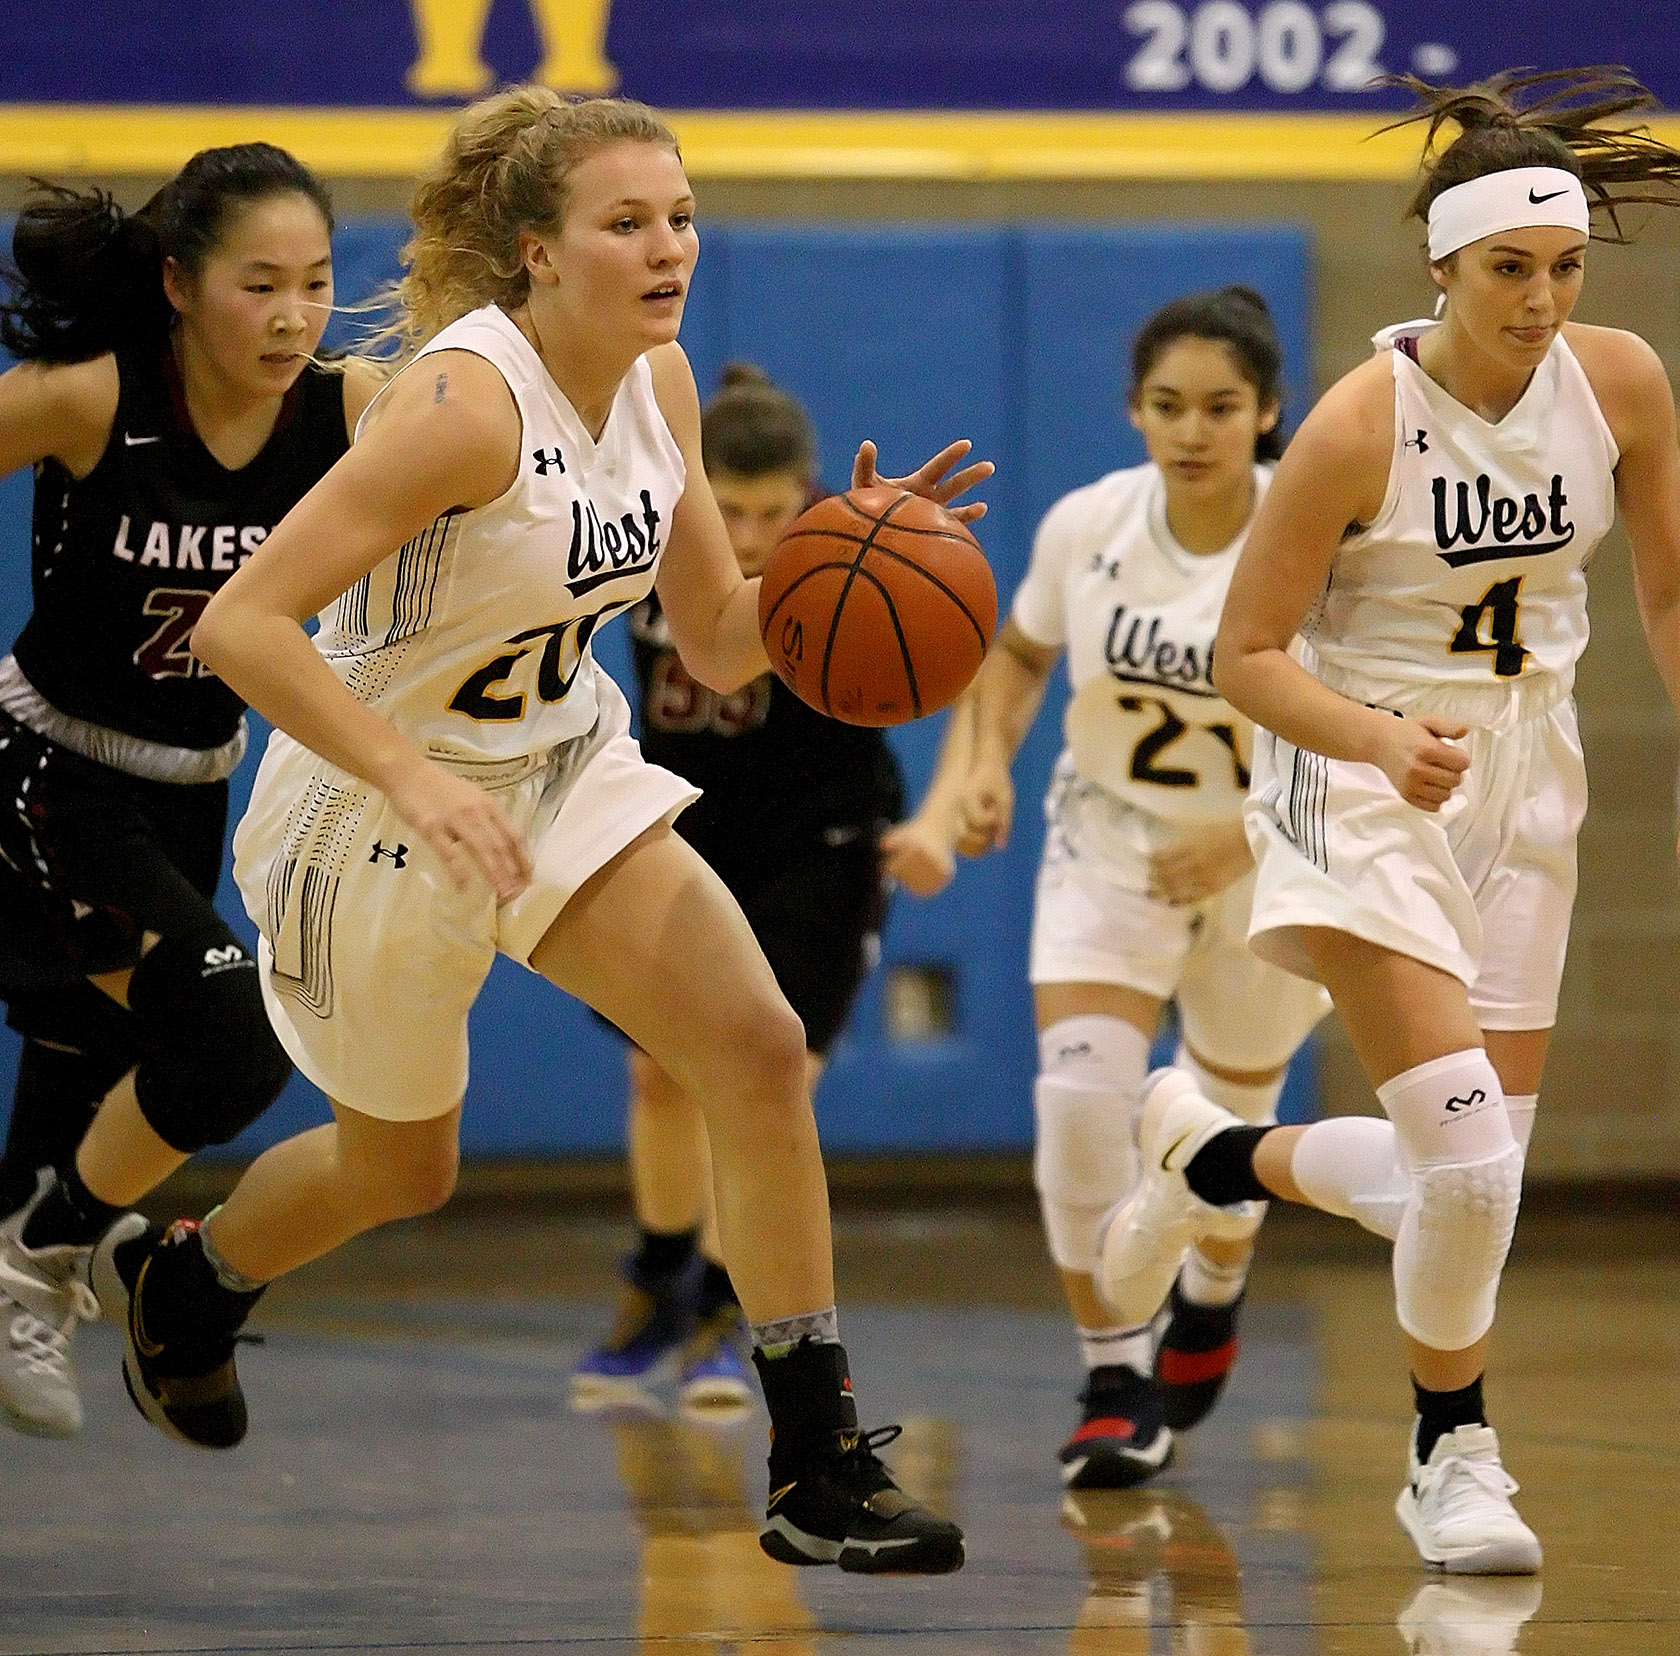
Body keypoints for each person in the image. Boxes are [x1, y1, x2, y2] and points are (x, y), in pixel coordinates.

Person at [115, 88, 985, 1577]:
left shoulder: (662, 384)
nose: (670, 249)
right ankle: (193, 1285)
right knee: (405, 1172)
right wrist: (414, 779)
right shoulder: (462, 407)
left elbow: (712, 638)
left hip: (556, 763)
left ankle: (815, 1460)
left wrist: (847, 559)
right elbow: (246, 626)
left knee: (760, 1050)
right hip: (373, 806)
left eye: (684, 217)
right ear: (536, 250)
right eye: (628, 222)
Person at [1096, 69, 1680, 1574]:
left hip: (1530, 776)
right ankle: (1451, 1455)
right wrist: (1373, 738)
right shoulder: (1363, 425)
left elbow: (1665, 591)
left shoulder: (1622, 384)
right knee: (1471, 1173)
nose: (1542, 300)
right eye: (1508, 269)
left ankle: (1209, 1157)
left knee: (1460, 1183)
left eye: (1563, 268)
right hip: (1356, 773)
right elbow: (1245, 657)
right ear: (1441, 262)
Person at [886, 288, 1328, 1488]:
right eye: (1169, 406)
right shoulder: (1090, 524)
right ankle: (1110, 1376)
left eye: (1222, 408)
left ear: (1268, 411)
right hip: (1110, 835)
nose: (1193, 431)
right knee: (1081, 1101)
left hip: (1273, 852)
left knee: (1231, 1142)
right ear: (1135, 410)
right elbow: (1019, 652)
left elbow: (1367, 717)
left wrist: (1248, 834)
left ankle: (1215, 1287)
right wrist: (979, 767)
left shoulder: (1314, 533)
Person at [0, 146, 382, 1437]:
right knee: (231, 1032)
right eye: (258, 284)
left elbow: (514, 444)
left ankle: (33, 1266)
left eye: (317, 284)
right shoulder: (91, 398)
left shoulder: (350, 411)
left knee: (87, 1048)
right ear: (177, 283)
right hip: (45, 770)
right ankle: (67, 1247)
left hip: (191, 787)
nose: (291, 315)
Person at [572, 362, 902, 1413]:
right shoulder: (649, 534)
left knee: (772, 1078)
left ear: (807, 490)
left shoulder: (845, 554)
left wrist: (950, 805)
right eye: (735, 509)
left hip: (822, 840)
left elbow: (960, 655)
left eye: (774, 510)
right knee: (659, 1079)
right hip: (689, 825)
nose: (755, 534)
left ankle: (727, 1308)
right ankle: (658, 1277)